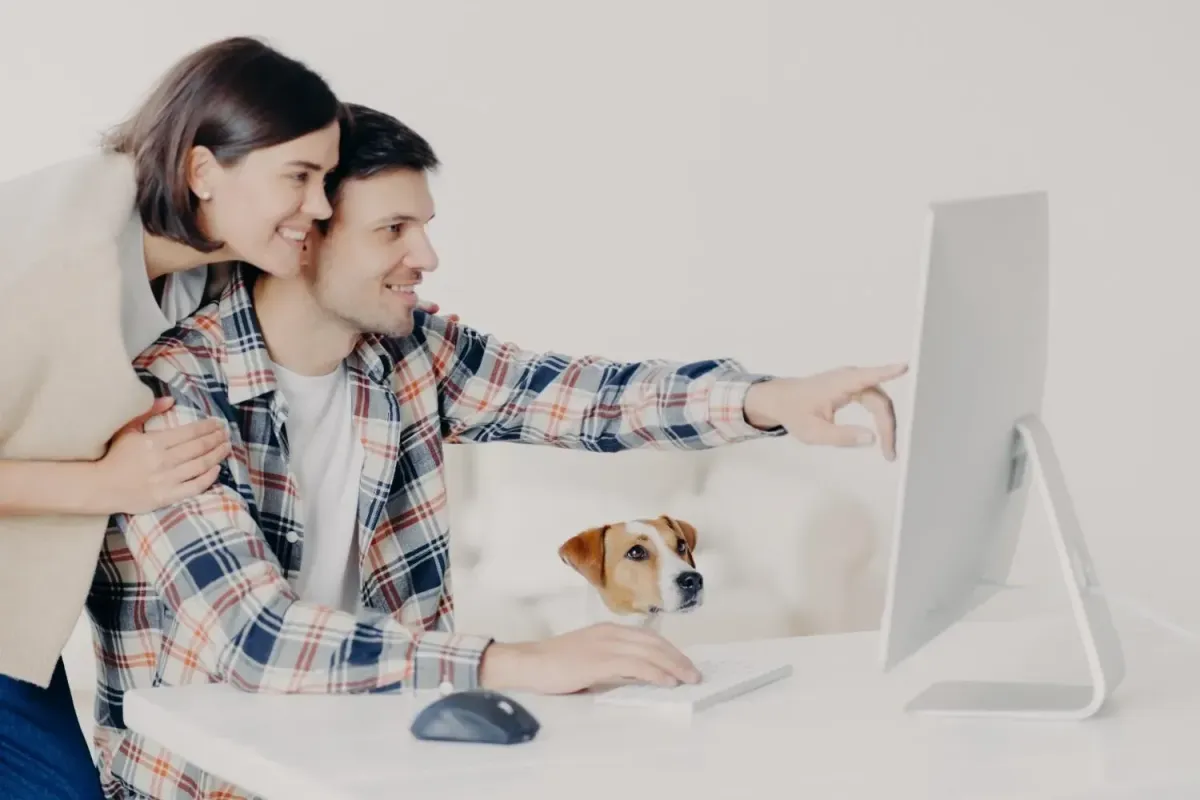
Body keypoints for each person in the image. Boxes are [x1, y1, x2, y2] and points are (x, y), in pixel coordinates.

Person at [89, 102, 907, 799]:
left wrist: (769, 400)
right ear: (302, 238)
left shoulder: (407, 355)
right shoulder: (172, 392)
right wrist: (511, 661)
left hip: (373, 755)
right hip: (210, 783)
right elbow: (252, 638)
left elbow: (589, 395)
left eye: (425, 227)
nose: (427, 257)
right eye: (393, 231)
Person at [0, 35, 365, 800]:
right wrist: (105, 483)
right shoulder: (49, 260)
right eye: (298, 176)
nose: (321, 206)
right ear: (202, 169)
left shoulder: (206, 270)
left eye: (327, 179)